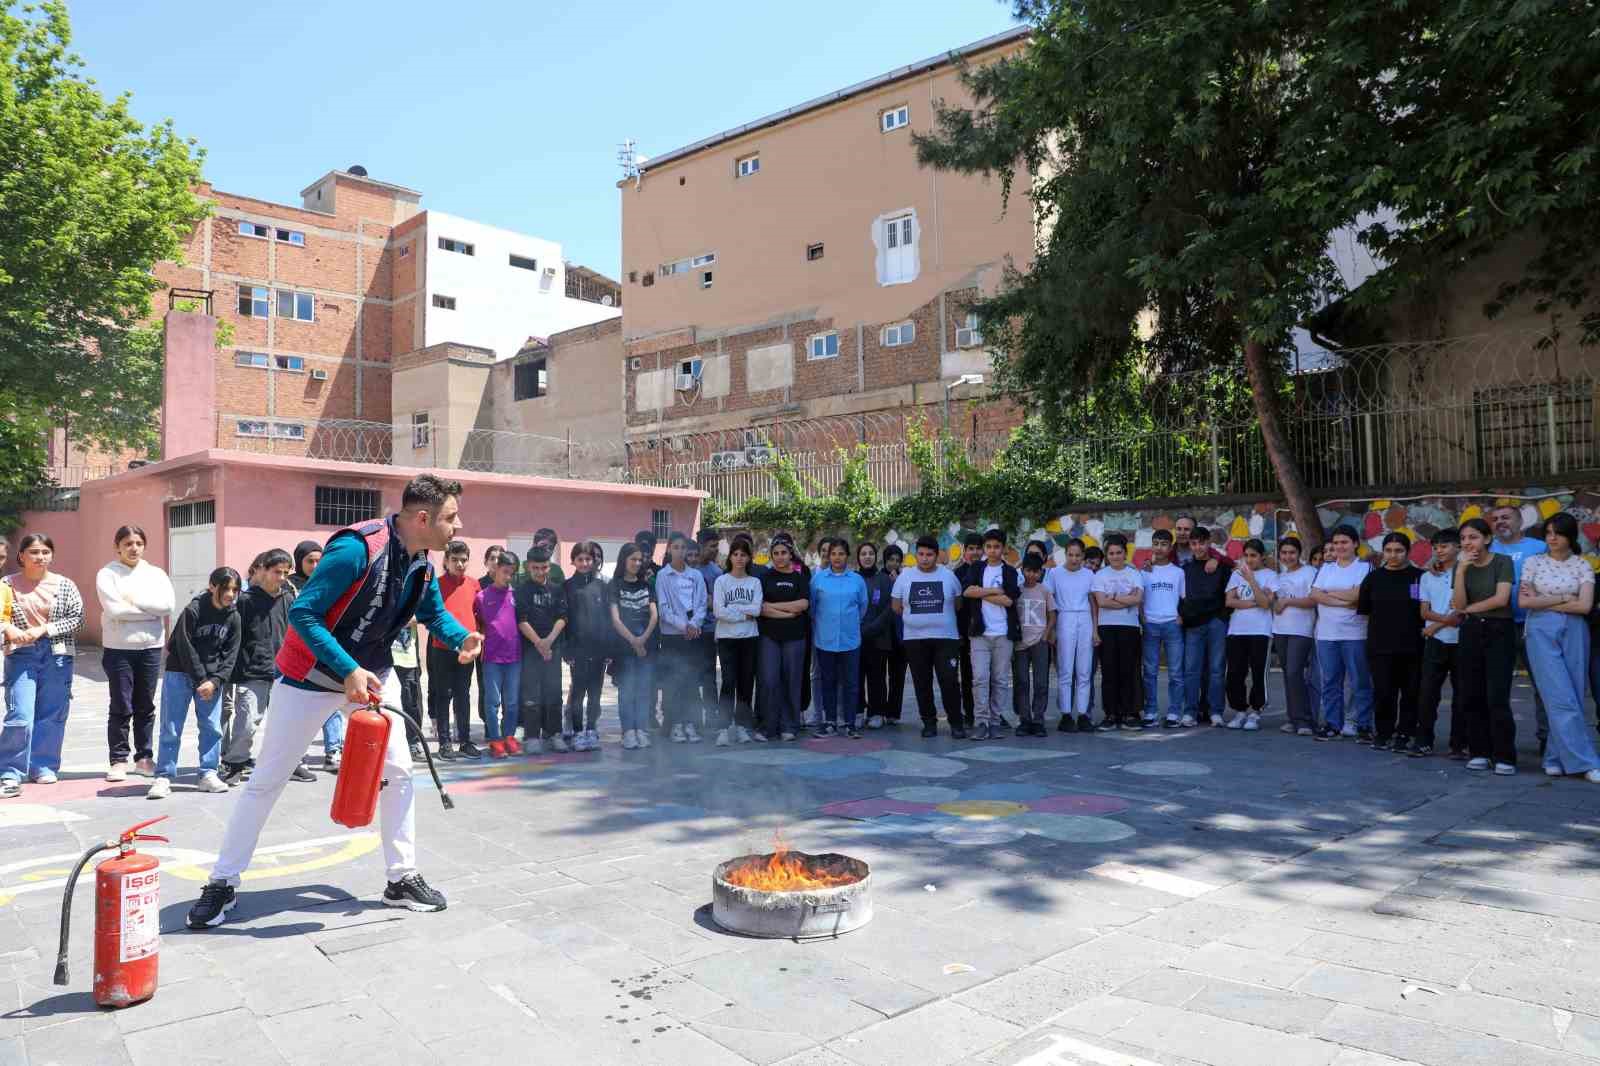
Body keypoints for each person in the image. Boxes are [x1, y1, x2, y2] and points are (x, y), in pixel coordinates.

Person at [186, 474, 483, 927]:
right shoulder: (356, 549)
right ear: (422, 518)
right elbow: (304, 613)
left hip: (374, 676)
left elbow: (431, 611)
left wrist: (461, 637)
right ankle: (222, 882)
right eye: (451, 517)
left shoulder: (421, 559)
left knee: (400, 774)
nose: (458, 525)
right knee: (267, 779)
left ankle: (400, 878)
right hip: (311, 677)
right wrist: (347, 669)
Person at [1, 534, 85, 799]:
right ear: (21, 556)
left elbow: (77, 618)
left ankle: (43, 765)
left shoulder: (65, 585)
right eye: (34, 552)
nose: (40, 557)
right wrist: (8, 628)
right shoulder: (6, 584)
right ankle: (10, 772)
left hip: (57, 654)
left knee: (52, 714)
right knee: (20, 715)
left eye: (46, 552)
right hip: (21, 654)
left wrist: (43, 630)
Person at [147, 567, 243, 798]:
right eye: (226, 588)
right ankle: (163, 776)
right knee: (171, 727)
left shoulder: (234, 617)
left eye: (235, 589)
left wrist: (216, 681)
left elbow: (231, 655)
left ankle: (208, 773)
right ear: (212, 586)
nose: (230, 594)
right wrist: (202, 679)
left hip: (212, 681)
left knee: (212, 727)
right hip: (180, 673)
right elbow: (183, 646)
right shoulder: (194, 610)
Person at [1518, 512, 1600, 782]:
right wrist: (1565, 596)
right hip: (1540, 629)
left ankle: (1554, 757)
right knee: (1558, 694)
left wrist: (1545, 598)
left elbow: (1585, 606)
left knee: (1574, 693)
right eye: (1548, 533)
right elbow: (1525, 603)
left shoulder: (1582, 565)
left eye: (1558, 533)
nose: (1552, 538)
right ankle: (1585, 761)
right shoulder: (1533, 563)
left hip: (1576, 629)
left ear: (1570, 536)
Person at [96, 525, 176, 782]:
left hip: (150, 648)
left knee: (146, 704)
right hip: (119, 648)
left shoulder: (156, 574)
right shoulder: (107, 574)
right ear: (117, 546)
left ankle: (144, 757)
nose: (133, 548)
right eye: (128, 543)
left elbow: (167, 606)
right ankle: (118, 760)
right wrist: (148, 610)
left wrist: (132, 600)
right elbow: (114, 610)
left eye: (138, 543)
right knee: (121, 703)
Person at [222, 548, 295, 784]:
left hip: (284, 671)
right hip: (252, 672)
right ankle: (235, 763)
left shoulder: (287, 598)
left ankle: (285, 764)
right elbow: (232, 636)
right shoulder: (245, 600)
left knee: (287, 721)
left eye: (285, 573)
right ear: (262, 570)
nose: (281, 578)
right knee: (248, 721)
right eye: (277, 572)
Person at [1451, 517, 1518, 775]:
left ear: (1487, 539)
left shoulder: (1503, 562)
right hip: (1470, 632)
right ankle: (1480, 751)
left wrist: (1467, 609)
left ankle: (1505, 756)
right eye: (1464, 539)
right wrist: (1460, 572)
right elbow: (1457, 603)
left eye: (1474, 537)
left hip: (1499, 630)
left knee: (1497, 695)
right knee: (1471, 693)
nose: (1468, 543)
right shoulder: (1462, 565)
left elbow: (1501, 599)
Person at [892, 535, 966, 739]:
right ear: (916, 555)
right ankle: (929, 722)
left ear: (937, 555)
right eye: (921, 554)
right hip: (915, 639)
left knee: (949, 681)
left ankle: (956, 723)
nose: (925, 558)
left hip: (946, 639)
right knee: (921, 682)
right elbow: (896, 607)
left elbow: (958, 604)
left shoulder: (949, 576)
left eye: (929, 555)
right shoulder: (904, 577)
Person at [1357, 532, 1425, 752]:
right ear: (1383, 552)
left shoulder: (1420, 577)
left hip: (1413, 646)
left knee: (1410, 693)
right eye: (1389, 550)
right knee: (1384, 692)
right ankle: (1383, 732)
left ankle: (1405, 733)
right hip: (1380, 646)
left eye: (1399, 550)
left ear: (1408, 552)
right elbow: (1365, 610)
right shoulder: (1373, 579)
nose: (1393, 555)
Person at [1489, 504, 1548, 752]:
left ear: (1520, 520)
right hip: (1497, 623)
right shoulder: (1486, 547)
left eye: (1506, 517)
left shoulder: (1539, 547)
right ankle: (1498, 741)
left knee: (1543, 683)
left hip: (1533, 623)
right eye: (1496, 519)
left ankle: (1547, 737)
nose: (1500, 522)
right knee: (1496, 686)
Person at [1311, 526, 1376, 742]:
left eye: (1344, 542)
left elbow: (1358, 597)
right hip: (1327, 634)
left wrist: (1329, 593)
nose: (1340, 547)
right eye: (1336, 543)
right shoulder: (1326, 568)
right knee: (1330, 681)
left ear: (1356, 544)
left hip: (1355, 634)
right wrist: (1344, 599)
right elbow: (1315, 594)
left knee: (1360, 682)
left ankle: (1364, 725)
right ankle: (1332, 724)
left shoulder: (1364, 568)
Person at [288, 541, 343, 775]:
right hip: (299, 655)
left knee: (333, 705)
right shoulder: (289, 586)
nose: (315, 565)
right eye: (309, 560)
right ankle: (298, 758)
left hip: (326, 652)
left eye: (319, 560)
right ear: (299, 561)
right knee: (301, 709)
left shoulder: (330, 581)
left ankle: (333, 752)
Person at [960, 529, 1019, 741]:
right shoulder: (977, 568)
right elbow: (967, 592)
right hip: (980, 633)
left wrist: (981, 592)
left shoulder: (1011, 572)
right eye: (989, 547)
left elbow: (1010, 600)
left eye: (996, 546)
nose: (992, 551)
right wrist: (995, 591)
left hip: (1003, 633)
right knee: (980, 679)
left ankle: (995, 722)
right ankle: (981, 721)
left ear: (1003, 548)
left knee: (1001, 680)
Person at [811, 538, 869, 738]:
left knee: (851, 683)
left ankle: (850, 723)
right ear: (828, 556)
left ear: (847, 556)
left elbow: (863, 607)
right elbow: (813, 607)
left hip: (850, 641)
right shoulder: (818, 580)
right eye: (833, 554)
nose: (836, 557)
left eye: (841, 554)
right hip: (825, 640)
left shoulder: (857, 580)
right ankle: (830, 722)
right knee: (828, 682)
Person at [428, 541, 480, 760]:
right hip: (442, 648)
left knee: (463, 695)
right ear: (446, 561)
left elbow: (478, 615)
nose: (460, 564)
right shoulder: (436, 584)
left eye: (464, 560)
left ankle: (465, 741)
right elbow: (430, 615)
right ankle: (444, 743)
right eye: (455, 560)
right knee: (443, 696)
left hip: (466, 651)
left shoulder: (474, 584)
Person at [656, 533, 709, 743]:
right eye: (675, 547)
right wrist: (684, 626)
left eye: (683, 547)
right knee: (672, 683)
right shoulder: (663, 576)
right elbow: (664, 608)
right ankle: (675, 724)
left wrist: (694, 624)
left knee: (690, 682)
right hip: (672, 636)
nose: (679, 551)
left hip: (693, 636)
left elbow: (702, 603)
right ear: (669, 550)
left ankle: (690, 723)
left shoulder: (695, 575)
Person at [758, 534, 810, 741]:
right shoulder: (765, 577)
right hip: (769, 636)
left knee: (792, 680)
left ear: (791, 555)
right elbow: (760, 608)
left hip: (795, 637)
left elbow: (803, 605)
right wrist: (788, 612)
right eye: (776, 553)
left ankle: (789, 725)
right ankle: (768, 727)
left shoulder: (800, 578)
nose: (780, 557)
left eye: (784, 553)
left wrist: (773, 607)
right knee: (770, 680)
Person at [516, 545, 567, 753]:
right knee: (531, 694)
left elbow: (563, 617)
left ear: (549, 567)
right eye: (535, 567)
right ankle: (532, 736)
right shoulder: (522, 590)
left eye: (544, 567)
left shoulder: (557, 589)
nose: (540, 572)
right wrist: (539, 643)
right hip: (530, 650)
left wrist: (549, 642)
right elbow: (521, 620)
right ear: (528, 567)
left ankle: (554, 733)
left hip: (553, 649)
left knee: (554, 692)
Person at [1221, 539, 1275, 731]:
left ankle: (1255, 712)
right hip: (1237, 630)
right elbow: (1229, 601)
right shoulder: (1236, 574)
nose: (1250, 559)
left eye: (1254, 555)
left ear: (1262, 557)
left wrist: (1251, 580)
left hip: (1261, 631)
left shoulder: (1270, 576)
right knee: (1235, 673)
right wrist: (1257, 601)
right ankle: (1240, 710)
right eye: (1247, 555)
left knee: (1259, 672)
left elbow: (1268, 604)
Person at [1417, 529, 1462, 758]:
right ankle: (1423, 740)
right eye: (1435, 547)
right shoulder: (1427, 576)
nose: (1439, 551)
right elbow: (1424, 610)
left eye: (1444, 546)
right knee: (1427, 693)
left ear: (1458, 547)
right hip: (1436, 642)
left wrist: (1434, 626)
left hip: (1461, 641)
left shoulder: (1466, 572)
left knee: (1462, 695)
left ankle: (1458, 744)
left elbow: (1461, 612)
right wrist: (1441, 624)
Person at [712, 538, 763, 745]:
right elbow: (718, 611)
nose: (739, 558)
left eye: (743, 554)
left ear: (749, 557)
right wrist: (743, 614)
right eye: (736, 554)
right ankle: (723, 728)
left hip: (749, 638)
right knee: (728, 681)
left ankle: (742, 726)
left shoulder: (755, 582)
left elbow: (757, 609)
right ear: (730, 557)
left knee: (745, 683)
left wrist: (734, 611)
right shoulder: (721, 581)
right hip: (726, 639)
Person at [1179, 526, 1229, 728]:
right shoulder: (1185, 570)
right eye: (1193, 543)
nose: (1198, 547)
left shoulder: (1221, 567)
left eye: (1201, 542)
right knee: (1191, 670)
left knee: (1217, 669)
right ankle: (1190, 711)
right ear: (1190, 545)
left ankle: (1215, 711)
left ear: (1209, 543)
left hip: (1216, 623)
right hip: (1193, 625)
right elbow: (1180, 597)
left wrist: (1221, 619)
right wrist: (1183, 616)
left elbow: (1228, 594)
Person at [561, 541, 609, 751]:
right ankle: (578, 732)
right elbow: (564, 620)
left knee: (595, 693)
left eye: (588, 559)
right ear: (573, 561)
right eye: (580, 559)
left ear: (594, 561)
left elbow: (608, 620)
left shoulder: (602, 587)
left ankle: (591, 729)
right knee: (578, 693)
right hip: (577, 650)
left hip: (598, 649)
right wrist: (567, 650)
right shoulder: (568, 586)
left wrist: (609, 650)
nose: (584, 563)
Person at [1092, 535, 1143, 731]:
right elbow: (1101, 602)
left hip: (1129, 628)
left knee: (1129, 671)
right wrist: (1124, 598)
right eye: (1111, 553)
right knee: (1110, 671)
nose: (1115, 556)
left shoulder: (1134, 574)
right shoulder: (1100, 576)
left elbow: (1137, 599)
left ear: (1125, 553)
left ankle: (1131, 713)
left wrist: (1112, 596)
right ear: (1107, 555)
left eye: (1118, 552)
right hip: (1107, 627)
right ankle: (1111, 713)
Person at [475, 549, 523, 758]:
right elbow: (476, 625)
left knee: (511, 701)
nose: (508, 577)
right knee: (492, 701)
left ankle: (509, 736)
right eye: (505, 572)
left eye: (512, 573)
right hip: (492, 658)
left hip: (514, 657)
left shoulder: (517, 596)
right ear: (495, 569)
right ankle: (495, 739)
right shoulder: (481, 596)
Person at [1045, 539, 1097, 731]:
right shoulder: (1055, 573)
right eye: (1071, 555)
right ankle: (1066, 714)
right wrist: (1050, 630)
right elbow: (1049, 600)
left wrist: (1095, 630)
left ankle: (1083, 713)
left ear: (1083, 556)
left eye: (1078, 555)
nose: (1074, 559)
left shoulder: (1089, 574)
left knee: (1084, 669)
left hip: (1084, 620)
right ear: (1065, 554)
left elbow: (1093, 602)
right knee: (1065, 669)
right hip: (1064, 618)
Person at [610, 542, 658, 750]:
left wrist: (643, 638)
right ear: (624, 560)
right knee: (627, 689)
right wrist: (634, 641)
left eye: (640, 560)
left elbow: (654, 615)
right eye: (633, 559)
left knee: (644, 689)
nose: (637, 563)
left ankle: (642, 730)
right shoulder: (614, 585)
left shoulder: (647, 585)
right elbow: (615, 619)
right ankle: (628, 731)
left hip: (646, 643)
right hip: (624, 645)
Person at [1270, 537, 1317, 737]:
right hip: (1281, 630)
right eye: (1284, 553)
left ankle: (1304, 720)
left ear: (1299, 553)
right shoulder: (1278, 577)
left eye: (1292, 552)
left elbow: (1313, 600)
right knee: (1288, 675)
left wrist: (1288, 601)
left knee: (1295, 674)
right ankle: (1292, 718)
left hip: (1301, 630)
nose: (1287, 556)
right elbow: (1273, 603)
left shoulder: (1309, 572)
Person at [1140, 529, 1186, 730]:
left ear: (1170, 547)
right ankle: (1150, 711)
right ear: (1152, 546)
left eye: (1164, 544)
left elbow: (1184, 599)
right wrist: (1143, 618)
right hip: (1150, 624)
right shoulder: (1144, 572)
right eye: (1156, 543)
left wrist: (1180, 617)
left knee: (1176, 672)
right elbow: (1139, 597)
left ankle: (1174, 712)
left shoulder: (1178, 572)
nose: (1159, 548)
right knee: (1150, 671)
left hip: (1171, 626)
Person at [1012, 552, 1055, 736]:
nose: (1032, 575)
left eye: (1036, 572)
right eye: (1028, 571)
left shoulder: (1044, 590)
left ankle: (1038, 719)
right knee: (1021, 682)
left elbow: (1052, 614)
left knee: (1041, 682)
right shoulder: (1017, 590)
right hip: (1020, 643)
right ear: (1023, 570)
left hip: (1040, 641)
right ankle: (1024, 719)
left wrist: (1046, 635)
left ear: (1041, 573)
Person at [857, 542, 896, 730]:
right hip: (855, 637)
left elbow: (890, 608)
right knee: (855, 676)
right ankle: (857, 711)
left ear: (875, 556)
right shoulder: (853, 578)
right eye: (863, 553)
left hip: (879, 636)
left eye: (871, 553)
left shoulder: (884, 579)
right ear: (858, 557)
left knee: (877, 676)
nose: (867, 557)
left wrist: (873, 628)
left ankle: (876, 712)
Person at [952, 533, 984, 729]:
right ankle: (970, 713)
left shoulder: (989, 570)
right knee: (966, 674)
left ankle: (988, 712)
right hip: (964, 632)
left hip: (988, 630)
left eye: (977, 548)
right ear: (965, 551)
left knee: (986, 675)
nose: (974, 552)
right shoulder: (957, 574)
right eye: (970, 548)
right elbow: (955, 605)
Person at [879, 544, 909, 724]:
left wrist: (898, 582)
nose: (894, 564)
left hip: (900, 634)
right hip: (883, 634)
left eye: (897, 560)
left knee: (897, 676)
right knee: (880, 675)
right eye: (891, 560)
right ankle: (880, 711)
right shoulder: (879, 577)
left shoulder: (905, 578)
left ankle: (893, 713)